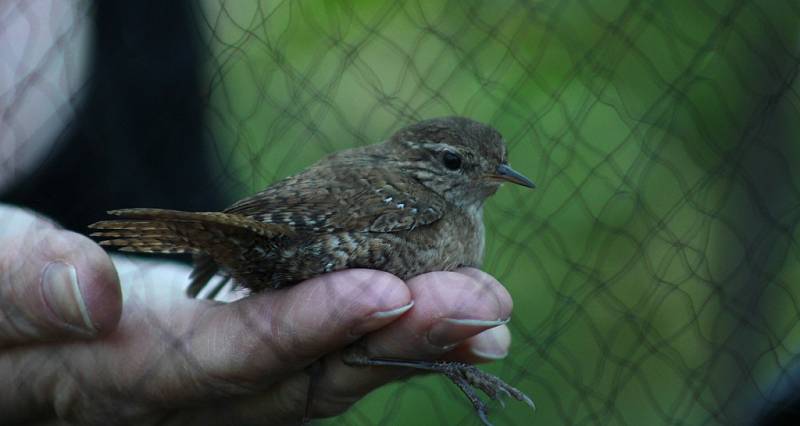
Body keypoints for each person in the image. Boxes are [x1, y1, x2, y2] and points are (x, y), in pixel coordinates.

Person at [0, 1, 513, 424]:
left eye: (498, 168)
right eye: (454, 164)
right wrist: (219, 249)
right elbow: (295, 217)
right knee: (352, 325)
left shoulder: (148, 30)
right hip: (284, 247)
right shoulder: (420, 203)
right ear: (422, 162)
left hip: (265, 258)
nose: (490, 178)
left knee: (363, 327)